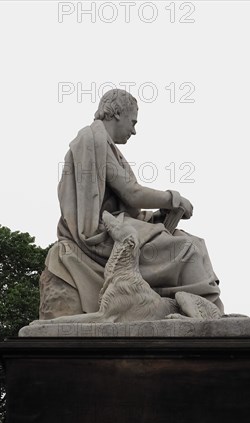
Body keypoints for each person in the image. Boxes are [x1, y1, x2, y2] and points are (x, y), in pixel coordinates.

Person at [39, 89, 223, 318]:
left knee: (195, 242)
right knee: (186, 248)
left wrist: (155, 216)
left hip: (117, 224)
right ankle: (207, 317)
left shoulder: (103, 144)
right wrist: (173, 198)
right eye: (133, 122)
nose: (134, 131)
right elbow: (132, 194)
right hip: (101, 234)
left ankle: (209, 314)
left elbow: (125, 204)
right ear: (117, 112)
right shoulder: (92, 139)